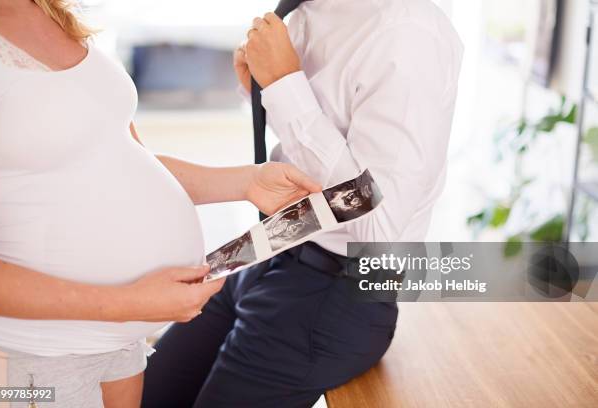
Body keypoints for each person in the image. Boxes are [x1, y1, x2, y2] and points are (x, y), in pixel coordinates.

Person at [0, 1, 321, 407]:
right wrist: (131, 302)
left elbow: (121, 161)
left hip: (119, 343)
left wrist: (244, 181)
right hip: (33, 355)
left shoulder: (47, 12)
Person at [142, 0, 464, 406]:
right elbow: (324, 140)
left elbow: (377, 223)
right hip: (273, 248)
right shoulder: (310, 9)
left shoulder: (409, 33)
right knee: (145, 396)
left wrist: (282, 84)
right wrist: (261, 89)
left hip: (334, 292)